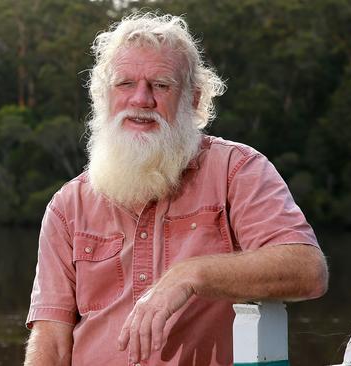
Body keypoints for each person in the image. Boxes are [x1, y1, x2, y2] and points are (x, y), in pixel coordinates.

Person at [24, 12, 328, 366]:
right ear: (103, 96)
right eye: (125, 84)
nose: (141, 99)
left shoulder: (237, 171)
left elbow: (308, 270)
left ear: (194, 99)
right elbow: (51, 339)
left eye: (161, 85)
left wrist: (190, 275)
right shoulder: (67, 206)